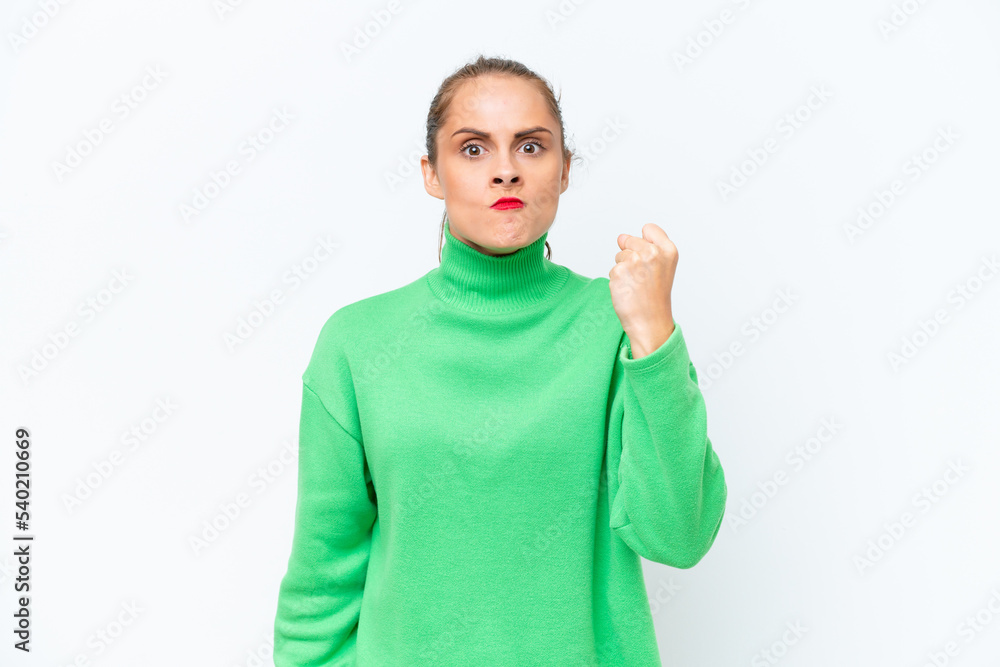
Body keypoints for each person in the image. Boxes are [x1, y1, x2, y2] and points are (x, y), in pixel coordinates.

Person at [273, 54, 727, 666]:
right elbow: (322, 581)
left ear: (564, 170)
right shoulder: (357, 343)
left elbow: (679, 535)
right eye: (473, 149)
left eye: (531, 147)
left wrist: (653, 333)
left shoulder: (621, 326)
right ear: (432, 174)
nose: (506, 170)